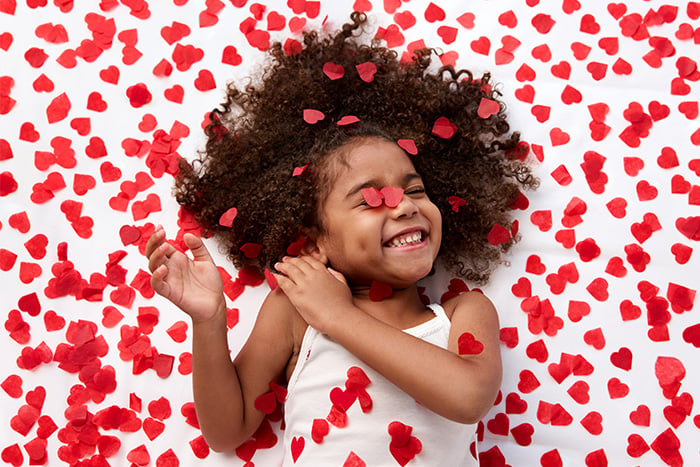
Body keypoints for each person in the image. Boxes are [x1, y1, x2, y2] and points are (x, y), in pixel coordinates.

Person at [146, 11, 536, 466]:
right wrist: (210, 323)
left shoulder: (464, 312)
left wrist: (339, 317)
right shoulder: (295, 309)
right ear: (314, 243)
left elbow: (469, 397)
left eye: (415, 190)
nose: (406, 205)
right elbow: (225, 432)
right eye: (371, 199)